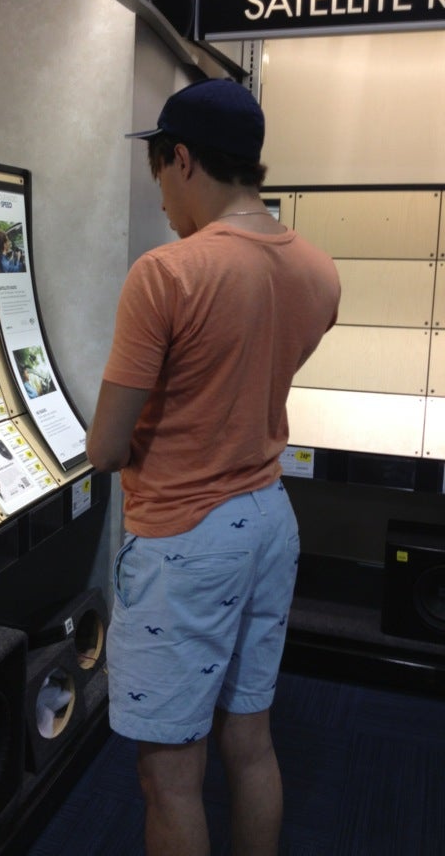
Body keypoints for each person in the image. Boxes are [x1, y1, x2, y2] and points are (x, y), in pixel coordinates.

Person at [86, 78, 340, 856]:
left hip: (184, 540)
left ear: (184, 160)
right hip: (267, 518)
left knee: (169, 776)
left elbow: (105, 449)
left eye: (159, 172)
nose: (162, 197)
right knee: (250, 740)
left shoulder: (167, 273)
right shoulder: (319, 270)